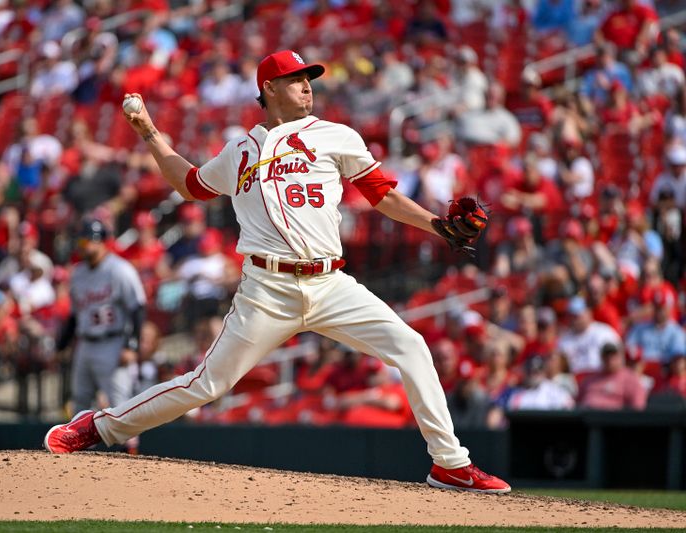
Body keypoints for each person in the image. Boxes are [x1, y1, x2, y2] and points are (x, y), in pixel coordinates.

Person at [44, 49, 511, 493]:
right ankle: (96, 427)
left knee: (411, 346)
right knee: (207, 383)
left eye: (309, 79)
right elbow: (189, 185)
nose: (307, 87)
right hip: (267, 288)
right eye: (297, 79)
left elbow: (382, 194)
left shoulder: (337, 136)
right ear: (269, 87)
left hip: (330, 283)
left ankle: (451, 465)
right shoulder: (240, 150)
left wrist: (435, 225)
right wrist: (147, 131)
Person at [54, 219, 147, 453]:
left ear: (101, 242)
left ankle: (131, 454)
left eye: (88, 240)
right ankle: (77, 453)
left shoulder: (120, 269)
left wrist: (131, 345)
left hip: (113, 343)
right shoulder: (78, 274)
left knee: (121, 404)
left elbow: (137, 308)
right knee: (79, 401)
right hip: (85, 343)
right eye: (81, 241)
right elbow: (74, 316)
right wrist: (61, 346)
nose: (83, 246)